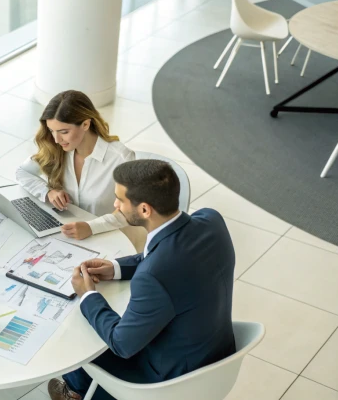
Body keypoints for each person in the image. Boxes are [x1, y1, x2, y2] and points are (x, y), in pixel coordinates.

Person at [48, 159, 236, 400]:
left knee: (78, 335)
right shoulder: (211, 221)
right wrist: (116, 268)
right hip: (215, 352)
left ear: (145, 210)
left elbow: (122, 344)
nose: (115, 205)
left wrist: (88, 295)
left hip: (168, 379)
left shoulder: (153, 277)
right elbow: (166, 254)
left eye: (120, 199)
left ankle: (75, 393)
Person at [15, 90, 137, 241]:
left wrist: (92, 227)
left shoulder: (121, 158)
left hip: (106, 237)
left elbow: (132, 211)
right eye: (52, 131)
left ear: (85, 124)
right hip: (66, 234)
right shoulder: (57, 149)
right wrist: (48, 191)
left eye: (64, 132)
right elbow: (22, 172)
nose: (56, 139)